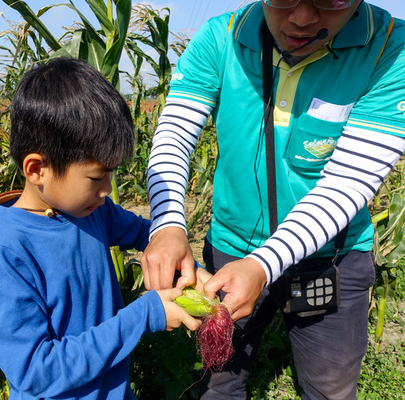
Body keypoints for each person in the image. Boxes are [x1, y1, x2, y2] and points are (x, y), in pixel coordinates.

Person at [141, 0, 405, 398]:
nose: (301, 18)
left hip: (329, 259)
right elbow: (174, 137)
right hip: (230, 251)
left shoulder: (390, 49)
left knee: (330, 387)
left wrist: (264, 264)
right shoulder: (222, 37)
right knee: (221, 377)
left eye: (331, 1)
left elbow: (347, 183)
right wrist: (167, 225)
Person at [0, 57, 208, 400]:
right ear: (37, 169)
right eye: (96, 178)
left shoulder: (91, 211)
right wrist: (143, 314)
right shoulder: (5, 254)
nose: (107, 190)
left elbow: (147, 234)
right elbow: (38, 371)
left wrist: (187, 267)